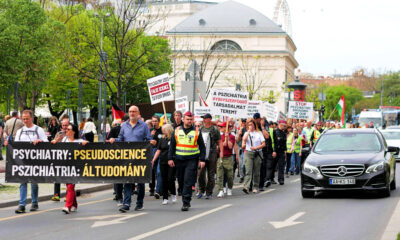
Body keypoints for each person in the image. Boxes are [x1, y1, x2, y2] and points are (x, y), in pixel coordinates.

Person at [109, 106, 151, 212]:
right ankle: (126, 203)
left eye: (134, 111)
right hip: (128, 158)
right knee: (127, 180)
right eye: (130, 111)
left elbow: (149, 139)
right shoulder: (124, 125)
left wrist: (151, 142)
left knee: (140, 182)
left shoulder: (144, 126)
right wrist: (114, 139)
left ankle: (139, 202)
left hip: (140, 158)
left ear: (138, 113)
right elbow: (121, 139)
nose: (132, 113)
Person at [5, 110, 48, 214]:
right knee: (22, 181)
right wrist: (9, 144)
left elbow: (47, 143)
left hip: (35, 161)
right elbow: (17, 145)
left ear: (32, 118)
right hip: (23, 161)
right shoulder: (20, 131)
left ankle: (34, 202)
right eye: (23, 119)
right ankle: (22, 204)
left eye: (27, 119)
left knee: (34, 182)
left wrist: (40, 141)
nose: (25, 121)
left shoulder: (39, 130)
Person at [168, 111, 206, 211]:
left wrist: (202, 159)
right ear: (183, 119)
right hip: (179, 159)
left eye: (190, 119)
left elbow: (202, 146)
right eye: (187, 119)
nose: (189, 121)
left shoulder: (197, 131)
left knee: (188, 181)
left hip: (192, 159)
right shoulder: (176, 130)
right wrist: (170, 158)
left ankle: (186, 202)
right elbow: (172, 145)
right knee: (180, 181)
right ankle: (184, 193)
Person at [52, 124, 88, 214]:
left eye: (68, 129)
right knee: (69, 186)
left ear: (74, 132)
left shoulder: (79, 140)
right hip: (66, 167)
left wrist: (85, 143)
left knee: (70, 186)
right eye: (66, 129)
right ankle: (74, 205)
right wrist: (55, 141)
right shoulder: (64, 140)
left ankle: (67, 206)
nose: (66, 130)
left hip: (76, 167)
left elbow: (88, 145)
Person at [152, 124, 177, 205]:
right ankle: (165, 197)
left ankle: (173, 194)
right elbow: (158, 150)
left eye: (164, 130)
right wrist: (153, 160)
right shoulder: (162, 139)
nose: (163, 131)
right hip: (162, 161)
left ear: (168, 130)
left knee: (170, 179)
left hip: (171, 161)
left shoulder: (174, 138)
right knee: (164, 179)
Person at [107, 115, 129, 205]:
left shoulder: (131, 130)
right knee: (118, 177)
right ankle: (118, 196)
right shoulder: (115, 130)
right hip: (117, 156)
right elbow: (109, 141)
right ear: (122, 122)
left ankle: (127, 199)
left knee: (127, 178)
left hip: (128, 156)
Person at [197, 113, 221, 199]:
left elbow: (219, 141)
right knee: (200, 173)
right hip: (202, 153)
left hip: (212, 153)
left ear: (210, 119)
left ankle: (209, 192)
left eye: (205, 118)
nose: (204, 120)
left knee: (211, 173)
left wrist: (221, 152)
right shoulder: (200, 129)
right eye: (203, 118)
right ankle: (201, 190)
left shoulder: (215, 129)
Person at [242, 119, 265, 194]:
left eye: (251, 124)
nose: (250, 126)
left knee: (256, 171)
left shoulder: (259, 133)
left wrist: (256, 148)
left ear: (254, 125)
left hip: (257, 153)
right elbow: (244, 140)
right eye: (248, 125)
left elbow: (263, 144)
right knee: (248, 171)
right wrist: (248, 132)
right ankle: (246, 187)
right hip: (248, 153)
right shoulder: (246, 133)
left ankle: (255, 186)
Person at [51, 119, 70, 201]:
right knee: (57, 176)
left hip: (69, 158)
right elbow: (53, 143)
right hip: (59, 157)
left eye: (66, 125)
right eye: (63, 125)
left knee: (68, 178)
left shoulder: (72, 133)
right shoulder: (59, 133)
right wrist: (56, 141)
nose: (65, 127)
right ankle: (56, 194)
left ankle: (68, 195)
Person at [265, 120, 287, 187]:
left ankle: (281, 179)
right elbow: (274, 142)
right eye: (284, 126)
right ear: (280, 125)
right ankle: (270, 178)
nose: (285, 127)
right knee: (272, 166)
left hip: (281, 152)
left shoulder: (284, 133)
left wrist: (285, 150)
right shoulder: (276, 132)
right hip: (275, 151)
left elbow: (284, 143)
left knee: (281, 166)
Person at [217, 122, 235, 197]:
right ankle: (220, 190)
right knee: (219, 175)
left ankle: (229, 188)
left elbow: (230, 147)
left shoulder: (232, 136)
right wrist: (221, 144)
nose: (220, 128)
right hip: (221, 157)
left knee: (230, 175)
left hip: (228, 158)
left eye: (222, 127)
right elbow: (218, 147)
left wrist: (227, 139)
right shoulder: (219, 136)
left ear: (226, 128)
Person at [149, 115, 163, 198]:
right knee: (152, 171)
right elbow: (147, 141)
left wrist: (156, 143)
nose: (154, 122)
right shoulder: (150, 130)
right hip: (152, 152)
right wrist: (151, 136)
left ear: (158, 121)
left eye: (156, 121)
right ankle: (152, 189)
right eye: (153, 121)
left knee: (159, 172)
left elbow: (163, 142)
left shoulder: (162, 130)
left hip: (160, 152)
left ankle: (159, 190)